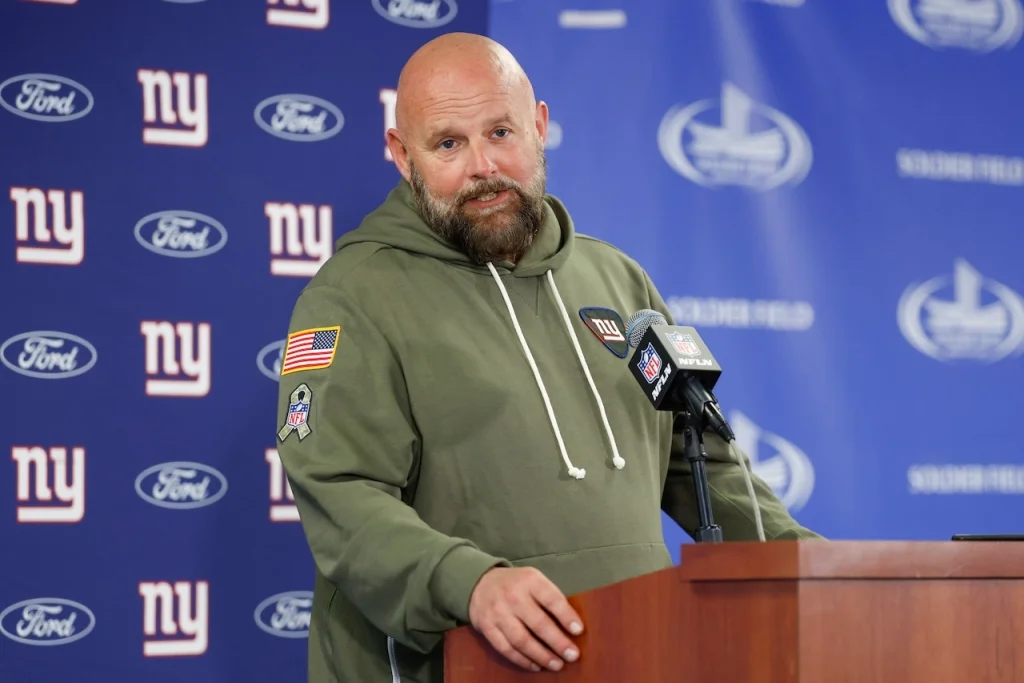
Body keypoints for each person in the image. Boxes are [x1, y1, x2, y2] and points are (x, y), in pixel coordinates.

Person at [274, 31, 822, 683]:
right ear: (401, 154)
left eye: (500, 132)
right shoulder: (355, 295)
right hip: (454, 664)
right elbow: (342, 494)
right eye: (448, 143)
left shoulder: (617, 280)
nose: (483, 165)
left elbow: (701, 463)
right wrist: (470, 582)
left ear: (539, 126)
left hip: (632, 653)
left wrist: (816, 573)